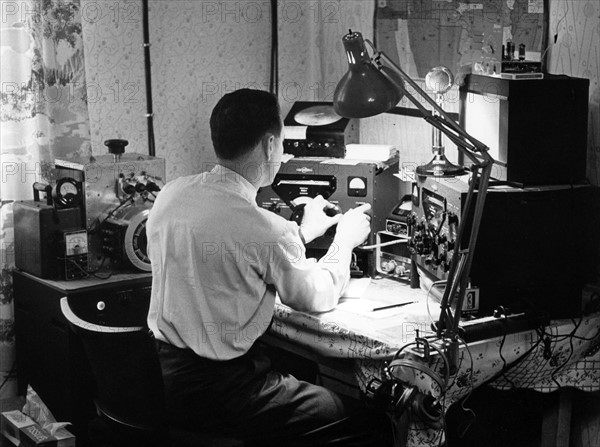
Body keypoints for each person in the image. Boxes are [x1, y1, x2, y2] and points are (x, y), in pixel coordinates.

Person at [146, 88, 387, 444]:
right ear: (270, 144)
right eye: (284, 144)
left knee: (301, 369)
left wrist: (301, 234)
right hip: (224, 393)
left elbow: (232, 252)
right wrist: (344, 243)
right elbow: (316, 296)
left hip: (164, 381)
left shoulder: (171, 194)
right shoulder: (265, 228)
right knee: (366, 418)